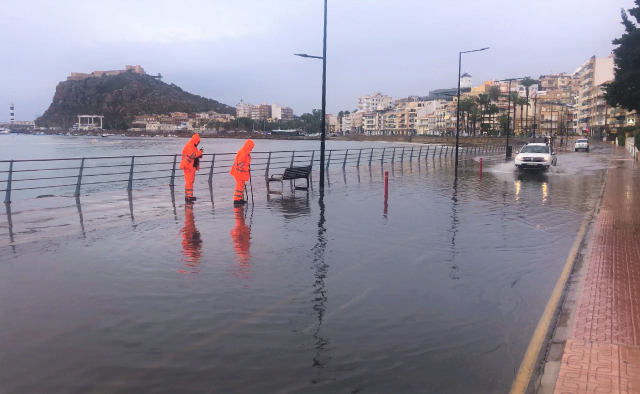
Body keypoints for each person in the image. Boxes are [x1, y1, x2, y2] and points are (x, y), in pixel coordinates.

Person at [178, 202, 202, 274]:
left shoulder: (194, 250)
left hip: (192, 233)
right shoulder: (191, 251)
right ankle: (188, 206)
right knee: (189, 218)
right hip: (190, 233)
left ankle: (188, 206)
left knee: (190, 218)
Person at [230, 139, 255, 205]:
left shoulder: (245, 151)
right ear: (248, 146)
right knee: (239, 186)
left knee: (241, 186)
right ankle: (236, 200)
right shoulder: (243, 152)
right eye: (251, 147)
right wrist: (247, 168)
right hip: (239, 173)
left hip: (240, 173)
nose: (251, 149)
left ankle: (240, 199)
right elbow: (240, 163)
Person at [180, 134, 204, 202]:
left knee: (190, 181)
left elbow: (196, 155)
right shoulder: (190, 145)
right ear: (196, 141)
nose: (199, 143)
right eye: (198, 141)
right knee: (189, 181)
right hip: (188, 166)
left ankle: (189, 195)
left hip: (191, 166)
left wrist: (200, 153)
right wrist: (199, 152)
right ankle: (189, 196)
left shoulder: (193, 146)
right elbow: (192, 155)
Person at [230, 206, 251, 279]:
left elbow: (239, 241)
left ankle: (238, 210)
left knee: (239, 217)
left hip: (240, 231)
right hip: (241, 231)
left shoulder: (241, 252)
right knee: (239, 217)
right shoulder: (242, 252)